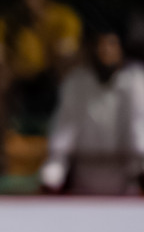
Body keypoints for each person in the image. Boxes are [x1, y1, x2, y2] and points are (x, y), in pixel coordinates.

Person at [39, 30, 144, 195]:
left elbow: (138, 130)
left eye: (111, 45)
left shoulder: (135, 82)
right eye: (100, 46)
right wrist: (53, 177)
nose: (106, 52)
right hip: (83, 180)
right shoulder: (75, 83)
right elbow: (64, 134)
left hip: (124, 179)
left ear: (121, 50)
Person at [0, 0, 81, 136]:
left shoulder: (64, 17)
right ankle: (3, 144)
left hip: (50, 74)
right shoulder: (6, 20)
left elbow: (66, 56)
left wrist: (41, 21)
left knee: (69, 75)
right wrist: (8, 71)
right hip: (17, 77)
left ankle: (68, 136)